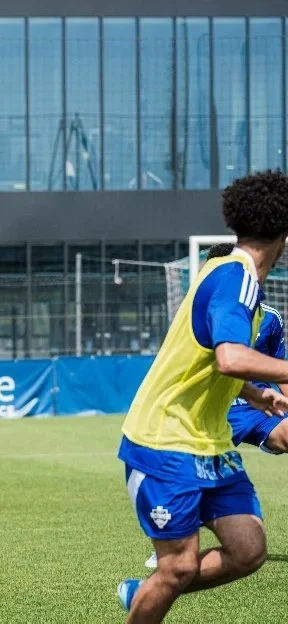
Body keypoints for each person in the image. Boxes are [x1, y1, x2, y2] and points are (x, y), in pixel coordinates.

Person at [116, 170, 288, 623]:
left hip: (207, 442)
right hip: (164, 441)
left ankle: (145, 593)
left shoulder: (229, 272)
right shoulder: (237, 278)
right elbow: (230, 356)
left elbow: (213, 360)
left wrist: (256, 394)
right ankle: (154, 592)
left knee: (248, 551)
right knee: (177, 567)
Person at [143, 242, 288, 570]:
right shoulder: (208, 303)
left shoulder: (268, 317)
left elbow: (276, 364)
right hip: (210, 413)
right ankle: (173, 543)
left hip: (254, 406)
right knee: (190, 475)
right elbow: (226, 359)